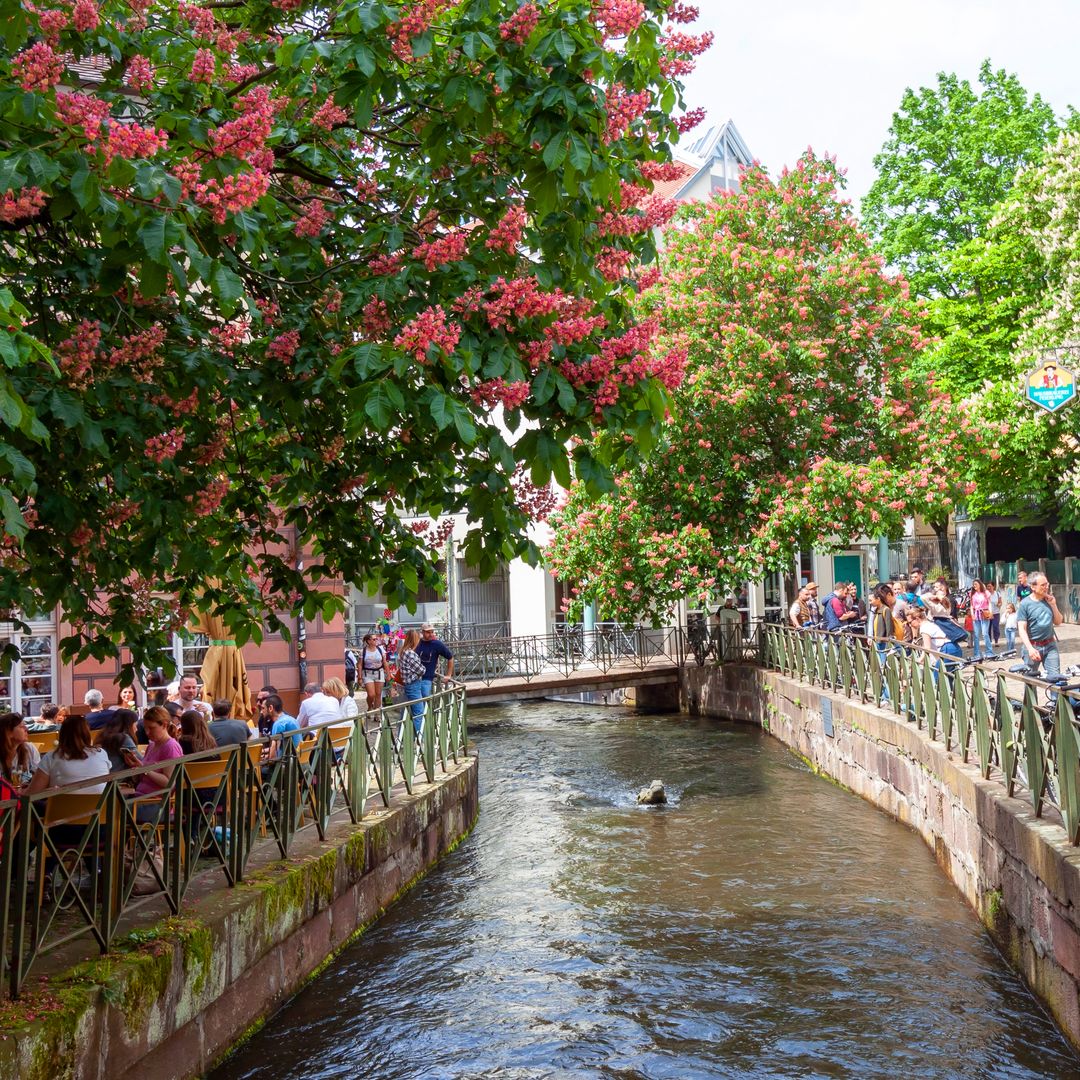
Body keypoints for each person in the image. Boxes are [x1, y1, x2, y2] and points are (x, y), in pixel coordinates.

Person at [27, 713, 111, 795]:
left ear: (62, 733)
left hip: (63, 808)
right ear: (87, 733)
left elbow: (32, 793)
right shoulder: (101, 753)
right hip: (101, 807)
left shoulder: (52, 757)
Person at [125, 706, 184, 821]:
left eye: (151, 728)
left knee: (113, 812)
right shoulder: (152, 745)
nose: (147, 732)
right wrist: (135, 766)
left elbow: (169, 783)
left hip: (157, 804)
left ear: (164, 725)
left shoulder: (170, 747)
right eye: (145, 728)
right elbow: (142, 778)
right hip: (141, 799)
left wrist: (144, 769)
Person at [1017, 572, 1063, 682]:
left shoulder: (1049, 600)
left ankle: (1054, 700)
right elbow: (1022, 629)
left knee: (1056, 680)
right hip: (1033, 647)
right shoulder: (1025, 604)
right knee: (1030, 683)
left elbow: (1058, 621)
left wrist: (1053, 605)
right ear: (1033, 587)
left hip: (1050, 645)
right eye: (1043, 585)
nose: (1046, 587)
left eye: (1047, 584)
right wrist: (1030, 649)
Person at [906, 608, 962, 674]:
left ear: (917, 619)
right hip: (955, 648)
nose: (910, 625)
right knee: (949, 678)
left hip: (947, 650)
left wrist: (917, 661)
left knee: (938, 678)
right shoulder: (930, 623)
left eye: (910, 622)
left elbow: (927, 649)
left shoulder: (924, 628)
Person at [395, 629, 426, 735]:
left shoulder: (403, 652)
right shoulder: (410, 654)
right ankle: (420, 740)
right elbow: (421, 670)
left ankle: (402, 738)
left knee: (405, 713)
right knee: (418, 713)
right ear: (415, 640)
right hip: (413, 685)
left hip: (407, 685)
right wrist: (422, 669)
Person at [0, 712, 39, 790]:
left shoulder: (30, 748)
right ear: (8, 732)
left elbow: (38, 778)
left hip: (27, 797)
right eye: (21, 726)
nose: (26, 729)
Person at [416, 622, 455, 700]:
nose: (431, 634)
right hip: (414, 679)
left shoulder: (437, 644)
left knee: (425, 700)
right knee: (415, 703)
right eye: (428, 632)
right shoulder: (417, 642)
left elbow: (450, 657)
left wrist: (448, 675)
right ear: (422, 632)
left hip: (427, 679)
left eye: (432, 632)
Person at [94, 709, 139, 774]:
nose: (136, 729)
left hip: (102, 777)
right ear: (128, 725)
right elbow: (141, 761)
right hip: (115, 780)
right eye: (135, 724)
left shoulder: (103, 735)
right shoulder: (124, 738)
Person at [359, 633, 390, 711]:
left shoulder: (380, 649)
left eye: (376, 639)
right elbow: (359, 665)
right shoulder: (363, 651)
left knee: (378, 694)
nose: (376, 640)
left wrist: (388, 674)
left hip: (379, 673)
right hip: (367, 674)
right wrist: (359, 677)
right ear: (368, 641)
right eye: (374, 639)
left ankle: (376, 713)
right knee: (371, 694)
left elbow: (385, 662)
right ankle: (370, 707)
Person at [968, 579, 992, 660]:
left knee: (985, 633)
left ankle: (989, 651)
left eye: (976, 584)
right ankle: (976, 653)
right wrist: (972, 614)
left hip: (984, 613)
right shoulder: (972, 594)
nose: (974, 586)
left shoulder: (986, 593)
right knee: (976, 635)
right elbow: (971, 605)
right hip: (976, 614)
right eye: (973, 585)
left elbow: (989, 603)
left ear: (979, 584)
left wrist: (990, 613)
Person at [987, 581, 1002, 647]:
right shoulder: (986, 594)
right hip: (988, 613)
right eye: (987, 586)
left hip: (996, 613)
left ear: (993, 586)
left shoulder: (998, 594)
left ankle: (996, 641)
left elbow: (1000, 603)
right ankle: (989, 641)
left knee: (996, 627)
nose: (988, 588)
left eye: (990, 586)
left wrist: (998, 604)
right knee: (988, 628)